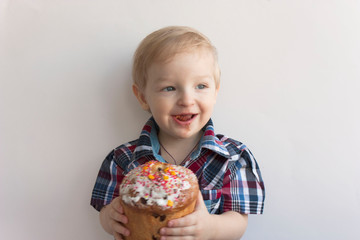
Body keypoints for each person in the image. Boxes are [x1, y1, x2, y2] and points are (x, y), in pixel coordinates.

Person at [90, 26, 265, 240]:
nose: (186, 100)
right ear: (143, 97)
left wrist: (210, 227)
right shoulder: (122, 159)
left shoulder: (233, 157)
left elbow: (239, 221)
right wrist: (110, 219)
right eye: (169, 88)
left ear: (216, 91)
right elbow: (105, 211)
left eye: (200, 86)